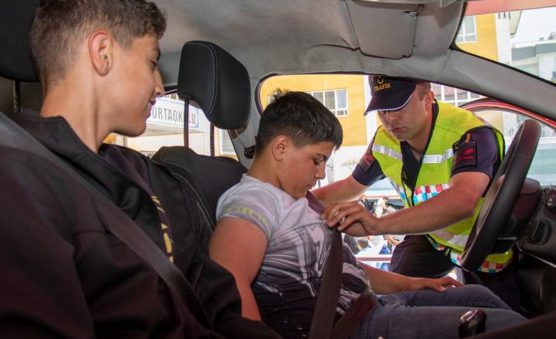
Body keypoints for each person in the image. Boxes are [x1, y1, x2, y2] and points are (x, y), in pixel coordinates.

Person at [0, 0, 278, 338]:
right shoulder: (5, 188)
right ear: (102, 54)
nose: (160, 86)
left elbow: (214, 300)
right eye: (151, 62)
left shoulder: (151, 177)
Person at [208, 91, 525, 338]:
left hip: (374, 304)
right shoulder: (253, 200)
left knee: (479, 296)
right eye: (317, 160)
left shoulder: (296, 198)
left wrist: (413, 283)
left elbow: (345, 269)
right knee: (507, 327)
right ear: (280, 147)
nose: (320, 175)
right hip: (354, 327)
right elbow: (229, 281)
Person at [313, 75, 520, 310]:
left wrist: (377, 225)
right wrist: (297, 197)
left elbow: (463, 200)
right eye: (383, 110)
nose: (390, 119)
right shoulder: (384, 140)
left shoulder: (471, 133)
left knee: (500, 316)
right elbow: (350, 186)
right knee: (400, 299)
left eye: (398, 106)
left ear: (427, 98)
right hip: (430, 237)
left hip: (480, 247)